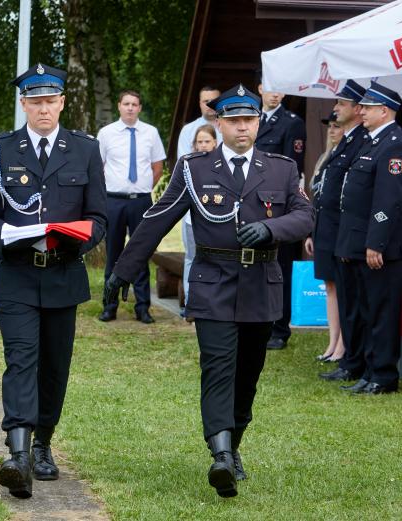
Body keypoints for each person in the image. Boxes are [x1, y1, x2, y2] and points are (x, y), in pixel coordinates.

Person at [104, 84, 314, 498]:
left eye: (249, 120)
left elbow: (305, 215)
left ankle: (233, 444)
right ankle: (220, 455)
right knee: (218, 367)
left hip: (260, 285)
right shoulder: (195, 168)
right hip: (213, 282)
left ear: (258, 123)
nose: (242, 127)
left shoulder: (281, 168)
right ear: (219, 124)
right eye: (233, 121)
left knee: (247, 375)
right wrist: (123, 270)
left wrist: (271, 228)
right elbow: (158, 217)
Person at [0, 63, 106, 499]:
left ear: (62, 102)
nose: (44, 108)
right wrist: (4, 236)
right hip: (16, 273)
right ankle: (18, 452)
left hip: (63, 273)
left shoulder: (84, 149)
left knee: (54, 366)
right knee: (21, 360)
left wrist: (78, 240)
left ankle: (43, 443)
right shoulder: (1, 149)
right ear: (24, 104)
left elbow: (99, 216)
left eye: (51, 100)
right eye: (36, 102)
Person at [333, 82, 402, 395]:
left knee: (381, 311)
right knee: (367, 309)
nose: (361, 111)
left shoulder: (394, 144)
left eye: (367, 107)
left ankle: (383, 375)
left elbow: (388, 200)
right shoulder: (373, 141)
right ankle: (369, 370)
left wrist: (375, 243)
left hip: (382, 246)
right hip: (361, 240)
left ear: (384, 110)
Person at [315, 81, 371, 386]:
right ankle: (344, 354)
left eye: (342, 104)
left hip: (346, 229)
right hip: (333, 226)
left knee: (351, 297)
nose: (336, 108)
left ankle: (349, 355)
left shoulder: (362, 140)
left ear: (358, 109)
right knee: (341, 293)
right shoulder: (349, 140)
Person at [97, 89, 165, 324]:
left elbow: (157, 167)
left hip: (141, 202)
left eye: (134, 104)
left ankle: (143, 307)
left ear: (139, 108)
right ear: (119, 106)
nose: (130, 108)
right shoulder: (106, 133)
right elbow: (98, 166)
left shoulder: (150, 133)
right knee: (113, 254)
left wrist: (142, 188)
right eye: (126, 103)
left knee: (141, 253)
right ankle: (109, 306)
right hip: (114, 201)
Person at [255, 73, 307, 350]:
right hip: (250, 203)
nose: (274, 94)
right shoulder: (252, 119)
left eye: (279, 89)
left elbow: (291, 168)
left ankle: (279, 328)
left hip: (276, 207)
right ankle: (257, 322)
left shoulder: (292, 123)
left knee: (279, 269)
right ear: (260, 89)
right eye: (270, 88)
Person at [305, 113, 345, 363]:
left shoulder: (348, 157)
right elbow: (316, 200)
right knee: (329, 286)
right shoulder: (325, 158)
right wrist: (311, 232)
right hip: (322, 229)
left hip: (340, 230)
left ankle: (342, 345)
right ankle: (332, 342)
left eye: (337, 126)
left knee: (342, 287)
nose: (332, 130)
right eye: (330, 126)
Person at [181, 124, 219, 321]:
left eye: (207, 141)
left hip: (215, 221)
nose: (203, 145)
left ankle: (211, 302)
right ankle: (190, 302)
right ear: (195, 144)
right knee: (191, 258)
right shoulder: (188, 165)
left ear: (215, 143)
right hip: (192, 220)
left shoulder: (223, 165)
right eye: (200, 142)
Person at [176, 85, 222, 159]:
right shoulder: (187, 130)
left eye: (213, 101)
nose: (210, 105)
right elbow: (184, 162)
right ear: (200, 103)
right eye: (206, 101)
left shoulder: (231, 128)